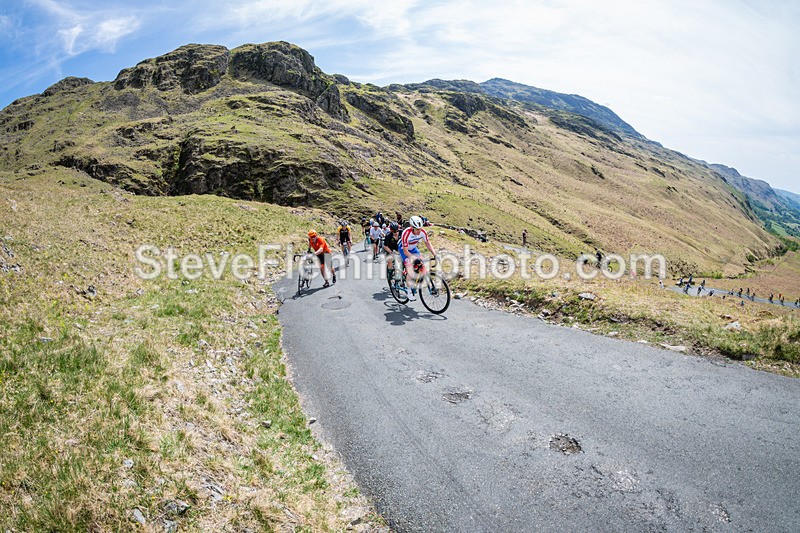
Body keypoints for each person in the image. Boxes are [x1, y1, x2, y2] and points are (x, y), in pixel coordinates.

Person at [399, 216, 437, 301]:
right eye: (417, 229)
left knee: (421, 264)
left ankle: (418, 282)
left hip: (413, 248)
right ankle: (408, 290)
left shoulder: (423, 232)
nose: (419, 231)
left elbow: (427, 243)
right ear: (412, 227)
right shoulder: (406, 233)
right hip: (404, 249)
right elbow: (405, 251)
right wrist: (413, 258)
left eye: (420, 229)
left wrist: (434, 254)